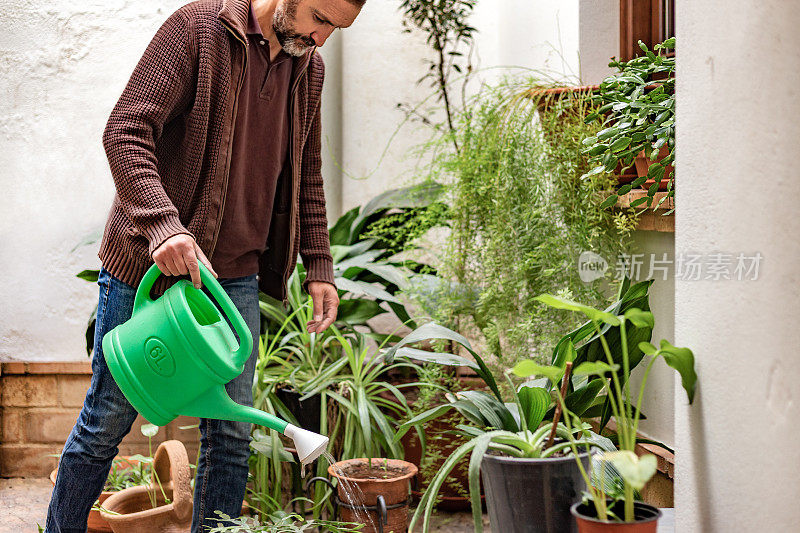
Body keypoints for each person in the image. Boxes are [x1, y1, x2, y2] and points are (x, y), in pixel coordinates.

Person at [45, 0, 364, 531]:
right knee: (107, 421)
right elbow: (125, 130)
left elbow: (307, 172)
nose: (322, 37)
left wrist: (320, 265)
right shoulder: (197, 29)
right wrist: (162, 224)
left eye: (336, 28)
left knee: (232, 436)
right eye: (320, 18)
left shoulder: (309, 66)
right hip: (147, 268)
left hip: (233, 277)